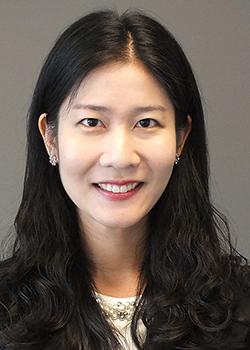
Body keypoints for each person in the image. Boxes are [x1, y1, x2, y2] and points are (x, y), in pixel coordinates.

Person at [0, 8, 249, 350]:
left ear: (180, 137)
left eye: (146, 123)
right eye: (92, 122)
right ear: (51, 137)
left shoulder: (240, 309)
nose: (120, 157)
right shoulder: (6, 311)